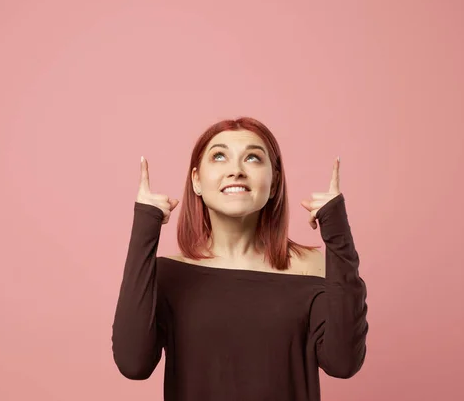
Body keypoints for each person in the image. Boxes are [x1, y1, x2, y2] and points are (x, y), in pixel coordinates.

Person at [111, 117, 368, 401]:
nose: (236, 170)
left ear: (274, 183)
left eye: (253, 158)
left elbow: (343, 363)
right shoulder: (168, 275)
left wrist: (338, 235)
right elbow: (133, 364)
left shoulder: (313, 269)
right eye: (219, 156)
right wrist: (145, 227)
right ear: (196, 180)